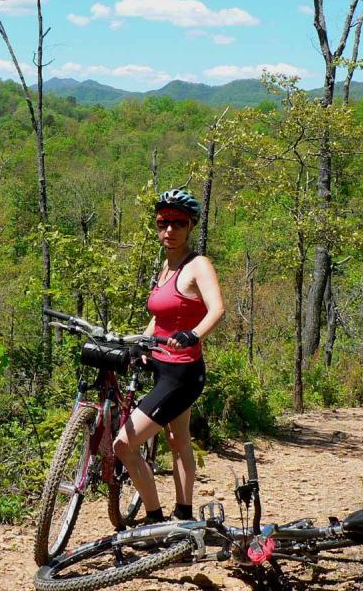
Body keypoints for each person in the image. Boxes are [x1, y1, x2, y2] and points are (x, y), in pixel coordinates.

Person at [113, 189, 225, 524]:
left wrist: (192, 335)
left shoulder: (198, 265)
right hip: (161, 365)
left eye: (178, 223)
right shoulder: (165, 267)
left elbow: (217, 310)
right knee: (178, 440)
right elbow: (161, 317)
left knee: (124, 445)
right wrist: (143, 342)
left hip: (184, 373)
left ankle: (155, 520)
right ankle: (185, 515)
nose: (169, 230)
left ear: (190, 226)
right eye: (163, 222)